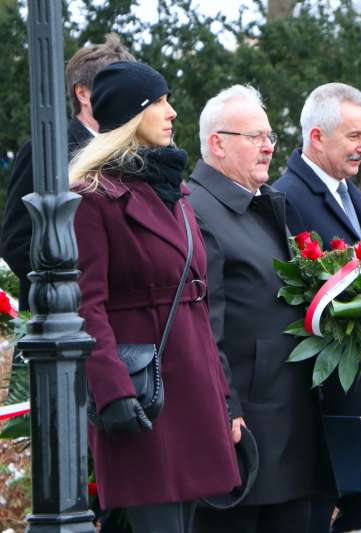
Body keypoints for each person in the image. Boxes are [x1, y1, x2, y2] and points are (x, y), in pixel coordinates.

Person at [70, 61, 240, 533]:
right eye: (158, 101)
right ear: (131, 114)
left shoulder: (173, 191)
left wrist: (224, 395)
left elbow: (201, 302)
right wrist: (112, 390)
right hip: (144, 394)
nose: (171, 112)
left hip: (195, 387)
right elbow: (86, 306)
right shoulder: (93, 198)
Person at [188, 84, 332, 533]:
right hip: (245, 430)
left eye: (270, 136)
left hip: (284, 425)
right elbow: (202, 328)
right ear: (217, 143)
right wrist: (225, 408)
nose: (269, 146)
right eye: (255, 137)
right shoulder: (197, 210)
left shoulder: (259, 203)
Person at [273, 82, 361, 533]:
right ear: (317, 136)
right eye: (354, 136)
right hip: (322, 398)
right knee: (317, 514)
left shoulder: (356, 198)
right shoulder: (285, 198)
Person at [0, 34, 134, 312]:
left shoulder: (134, 156)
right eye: (115, 89)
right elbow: (16, 242)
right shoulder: (45, 151)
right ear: (82, 93)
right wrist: (79, 286)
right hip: (64, 317)